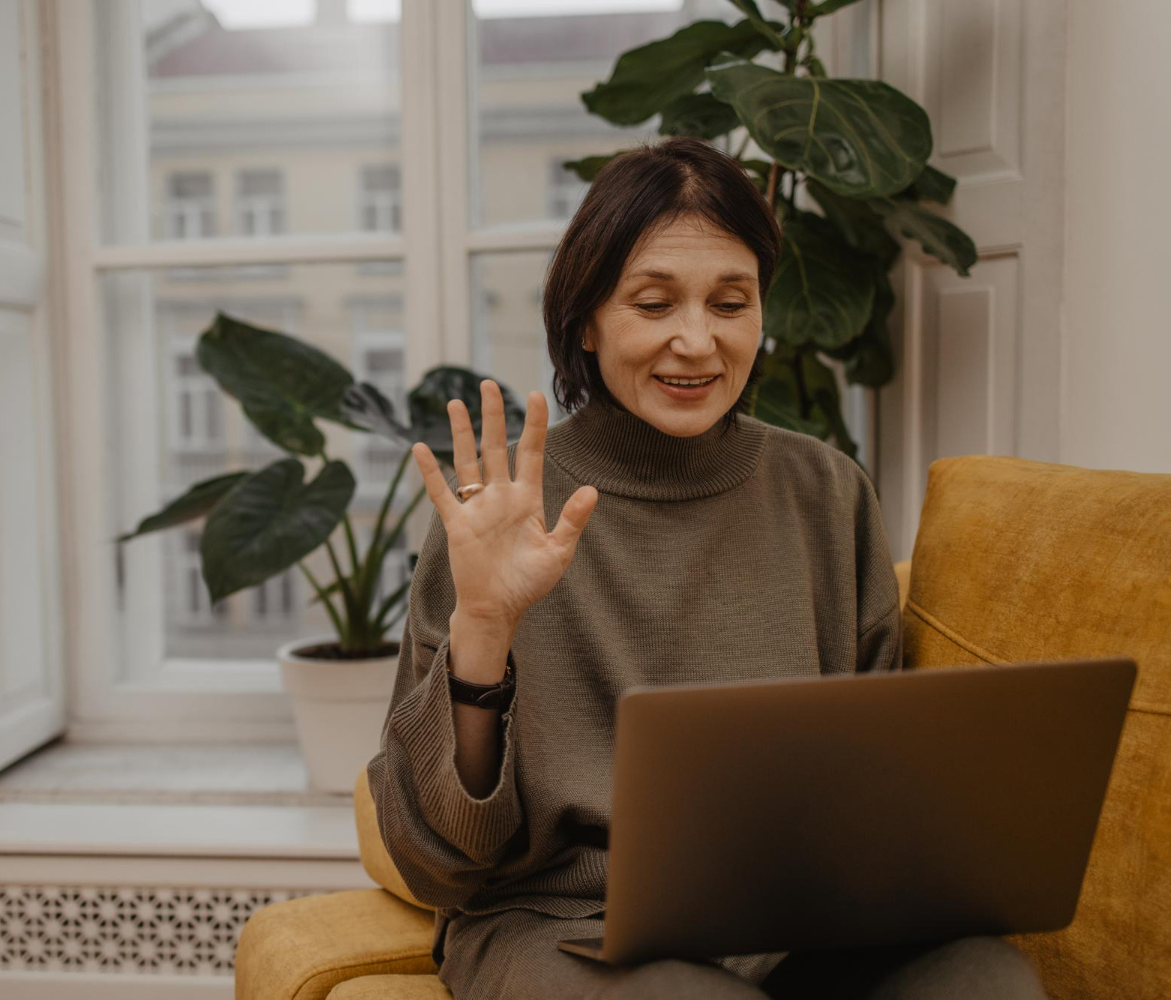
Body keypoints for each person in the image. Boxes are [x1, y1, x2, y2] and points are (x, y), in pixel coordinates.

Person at [364, 136, 1049, 1000]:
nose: (697, 342)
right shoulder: (493, 514)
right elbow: (438, 865)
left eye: (731, 303)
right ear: (586, 319)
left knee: (987, 975)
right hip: (564, 929)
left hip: (797, 924)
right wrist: (484, 636)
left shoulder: (825, 490)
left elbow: (879, 789)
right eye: (654, 305)